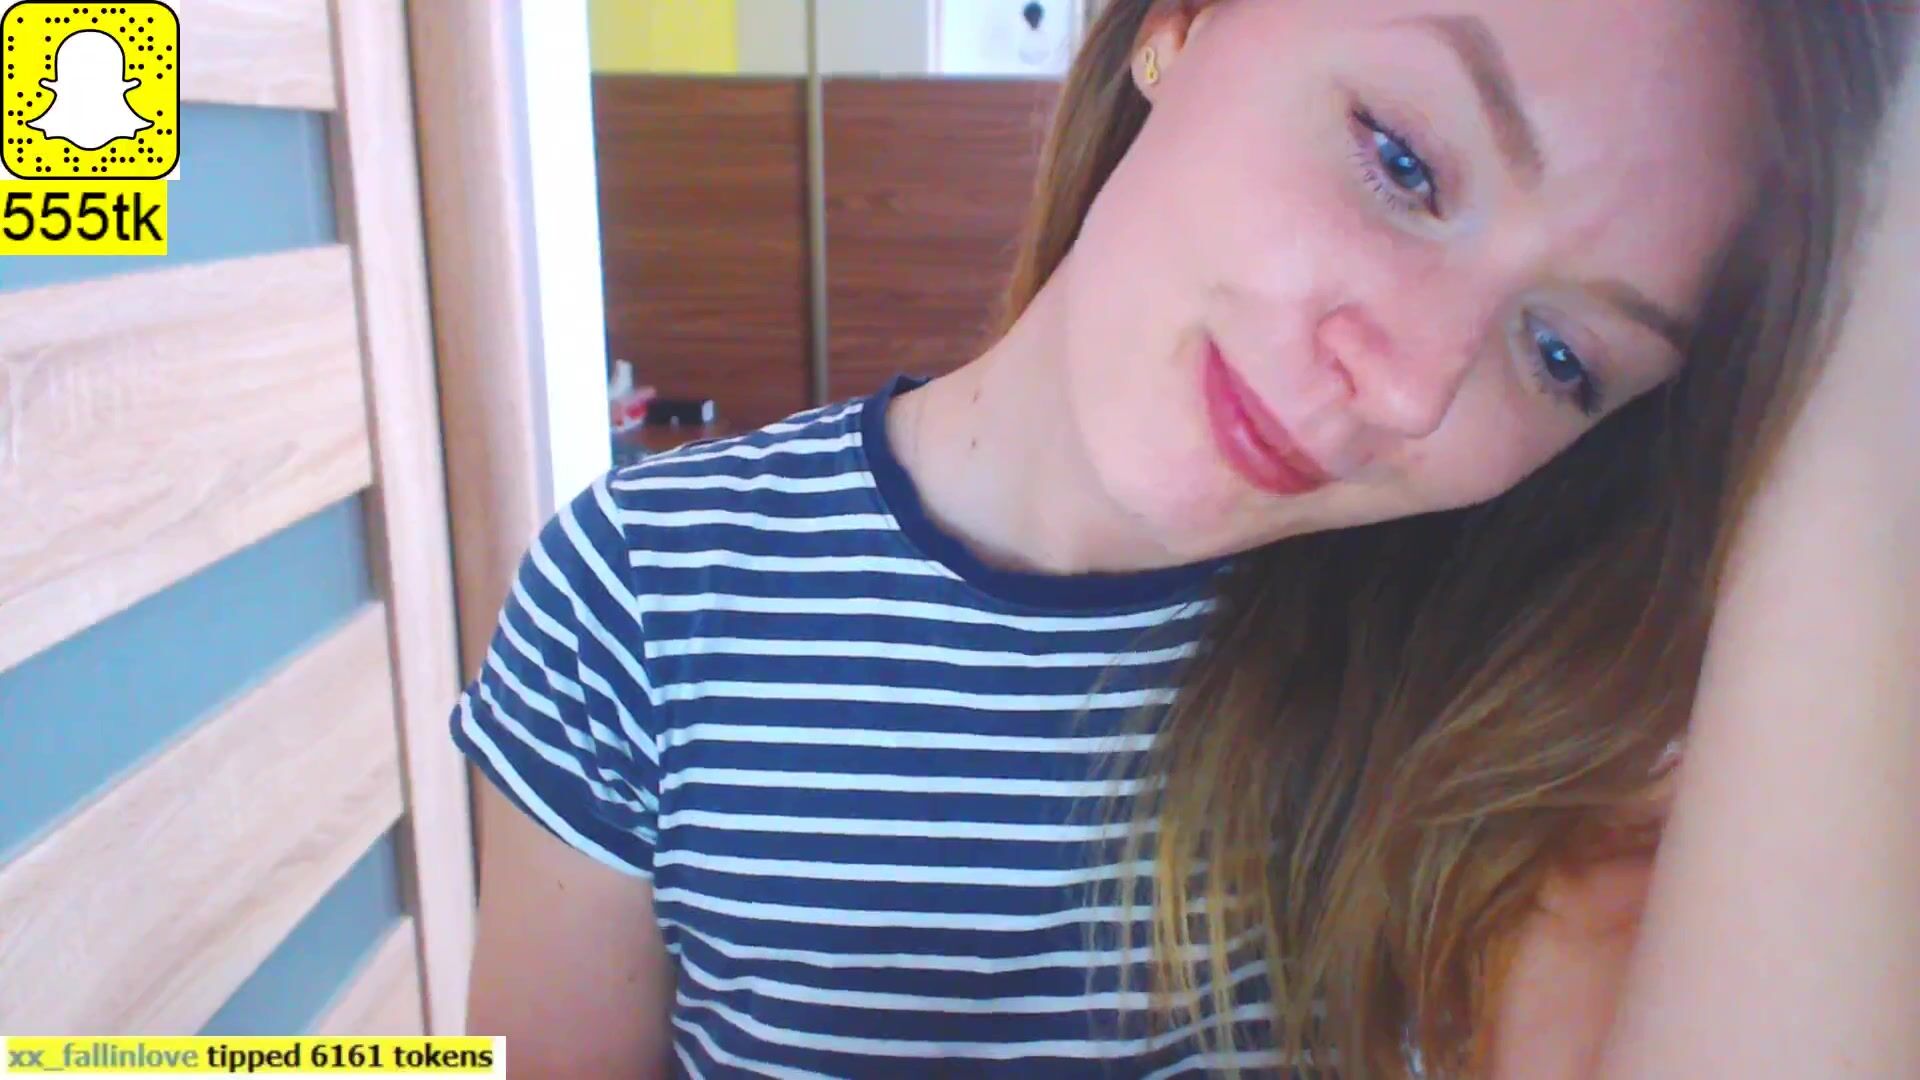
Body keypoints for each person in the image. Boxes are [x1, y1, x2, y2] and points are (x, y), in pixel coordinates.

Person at [450, 1, 1913, 1076]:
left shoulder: (1517, 741)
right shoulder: (645, 591)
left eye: (1562, 358)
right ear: (1179, 24)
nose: (1411, 388)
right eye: (1404, 161)